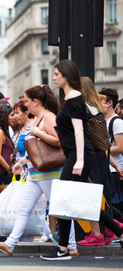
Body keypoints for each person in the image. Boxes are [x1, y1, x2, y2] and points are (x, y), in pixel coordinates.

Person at [0, 84, 78, 256]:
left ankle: (72, 246)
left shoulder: (48, 117)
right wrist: (22, 162)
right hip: (36, 172)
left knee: (60, 209)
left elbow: (58, 141)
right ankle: (10, 243)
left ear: (36, 102)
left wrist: (37, 132)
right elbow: (36, 148)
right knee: (25, 209)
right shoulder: (39, 118)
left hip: (48, 172)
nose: (25, 104)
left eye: (27, 101)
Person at [40, 60, 96, 260]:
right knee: (80, 200)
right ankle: (64, 247)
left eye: (56, 74)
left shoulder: (73, 97)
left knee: (63, 199)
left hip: (78, 156)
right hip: (76, 156)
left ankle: (63, 248)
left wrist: (79, 160)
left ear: (66, 76)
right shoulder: (70, 97)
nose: (54, 77)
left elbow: (80, 131)